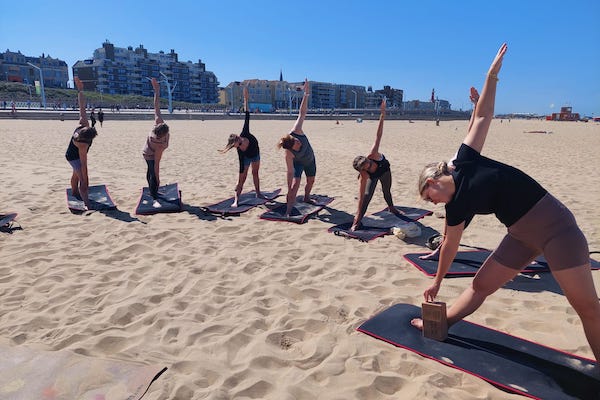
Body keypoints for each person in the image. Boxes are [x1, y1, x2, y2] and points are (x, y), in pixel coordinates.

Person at [412, 43, 600, 362]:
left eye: (431, 197)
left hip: (558, 232)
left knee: (586, 307)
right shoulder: (455, 208)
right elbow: (449, 245)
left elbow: (483, 115)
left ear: (432, 182)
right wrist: (437, 281)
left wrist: (491, 77)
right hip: (521, 237)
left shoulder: (466, 159)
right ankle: (443, 324)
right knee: (482, 284)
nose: (436, 204)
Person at [351, 98, 404, 231]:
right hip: (374, 177)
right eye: (366, 167)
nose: (369, 166)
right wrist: (357, 215)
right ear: (362, 170)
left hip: (385, 170)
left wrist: (382, 114)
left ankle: (391, 208)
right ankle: (358, 220)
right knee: (367, 196)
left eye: (368, 163)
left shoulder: (373, 154)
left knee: (386, 191)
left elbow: (378, 135)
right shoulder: (364, 174)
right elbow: (361, 195)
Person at [277, 79, 316, 216]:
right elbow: (289, 172)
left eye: (297, 141)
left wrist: (306, 95)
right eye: (296, 144)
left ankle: (306, 197)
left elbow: (302, 113)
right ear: (291, 148)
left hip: (310, 159)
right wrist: (290, 190)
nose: (299, 142)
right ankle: (288, 211)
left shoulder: (296, 130)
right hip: (298, 163)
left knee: (311, 181)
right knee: (294, 186)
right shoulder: (289, 154)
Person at [219, 86, 263, 207]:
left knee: (255, 173)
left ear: (239, 138)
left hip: (256, 153)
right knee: (242, 179)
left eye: (237, 145)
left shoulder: (245, 132)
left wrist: (246, 99)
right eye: (235, 147)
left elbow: (247, 114)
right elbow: (241, 168)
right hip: (247, 158)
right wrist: (240, 178)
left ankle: (258, 193)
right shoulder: (240, 151)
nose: (237, 147)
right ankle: (236, 199)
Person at [65, 77, 98, 210]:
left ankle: (74, 192)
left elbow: (82, 106)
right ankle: (85, 202)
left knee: (76, 174)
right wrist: (85, 183)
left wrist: (80, 90)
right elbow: (84, 165)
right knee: (81, 176)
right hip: (72, 156)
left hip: (77, 154)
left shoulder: (83, 123)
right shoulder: (82, 145)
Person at [142, 78, 170, 208]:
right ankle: (154, 196)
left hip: (151, 151)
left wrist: (157, 91)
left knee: (151, 171)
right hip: (149, 153)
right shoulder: (160, 144)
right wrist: (158, 179)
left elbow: (156, 106)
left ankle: (153, 189)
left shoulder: (159, 123)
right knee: (153, 172)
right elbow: (157, 164)